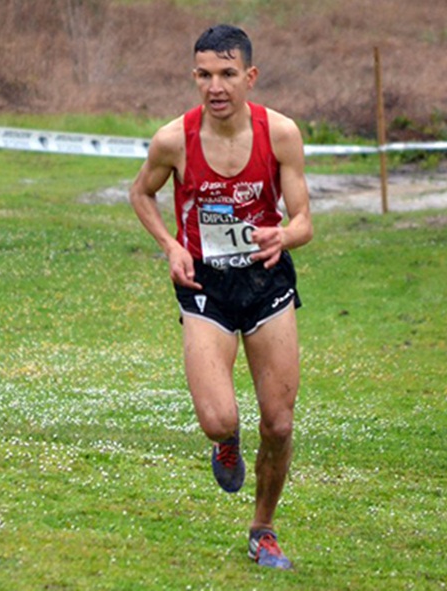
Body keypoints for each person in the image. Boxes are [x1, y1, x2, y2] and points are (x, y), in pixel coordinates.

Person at [129, 24, 313, 570]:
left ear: (249, 76)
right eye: (206, 74)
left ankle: (263, 529)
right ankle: (225, 443)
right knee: (217, 418)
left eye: (228, 74)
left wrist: (284, 234)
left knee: (279, 423)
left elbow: (304, 220)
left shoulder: (281, 134)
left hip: (265, 282)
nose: (216, 86)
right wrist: (169, 246)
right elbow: (141, 193)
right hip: (204, 284)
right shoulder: (173, 140)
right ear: (195, 77)